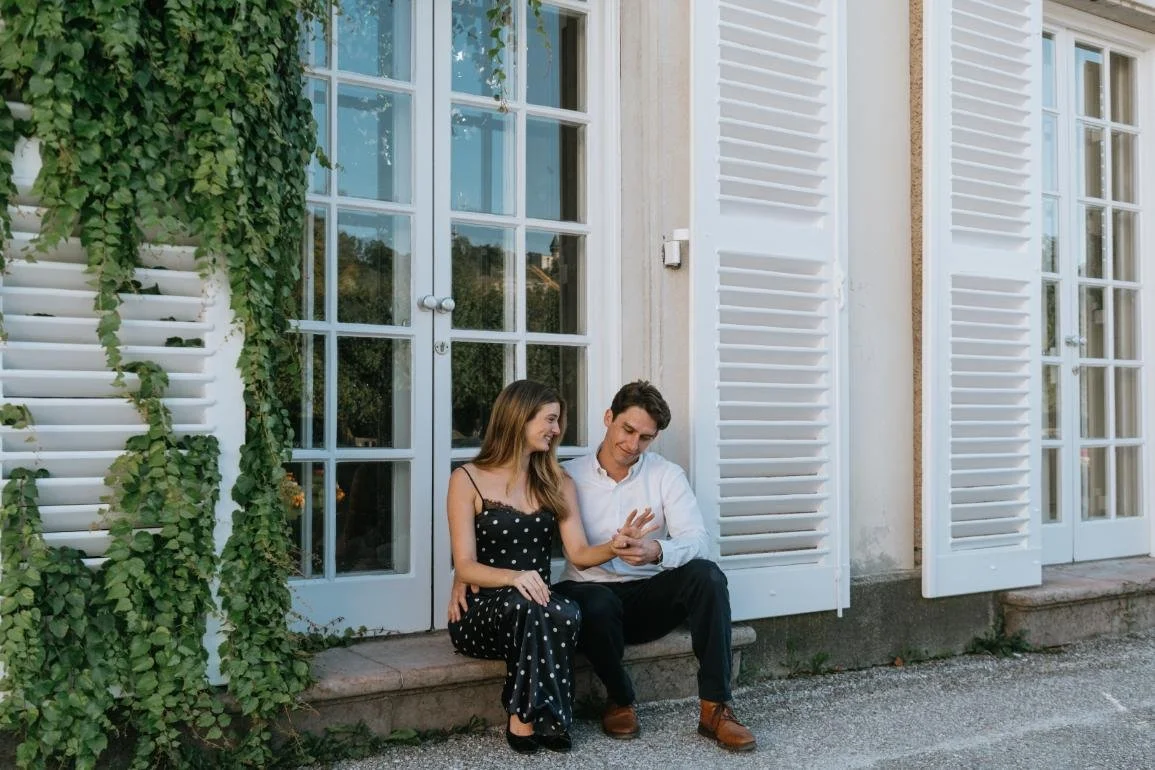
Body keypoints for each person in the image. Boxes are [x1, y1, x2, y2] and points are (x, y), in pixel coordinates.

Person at [446, 380, 656, 755]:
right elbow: (464, 564)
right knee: (533, 605)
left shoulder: (556, 480)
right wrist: (514, 577)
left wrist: (614, 546)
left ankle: (552, 716)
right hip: (482, 612)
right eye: (550, 420)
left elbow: (577, 552)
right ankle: (526, 718)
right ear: (518, 418)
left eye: (558, 421)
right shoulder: (467, 479)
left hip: (538, 606)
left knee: (563, 608)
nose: (557, 430)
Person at [553, 380, 757, 752]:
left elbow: (697, 540)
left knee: (708, 576)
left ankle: (715, 708)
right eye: (627, 430)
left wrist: (655, 551)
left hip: (644, 597)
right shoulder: (568, 475)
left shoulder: (665, 474)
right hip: (588, 594)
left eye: (645, 438)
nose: (633, 445)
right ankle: (620, 700)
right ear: (608, 418)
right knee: (596, 602)